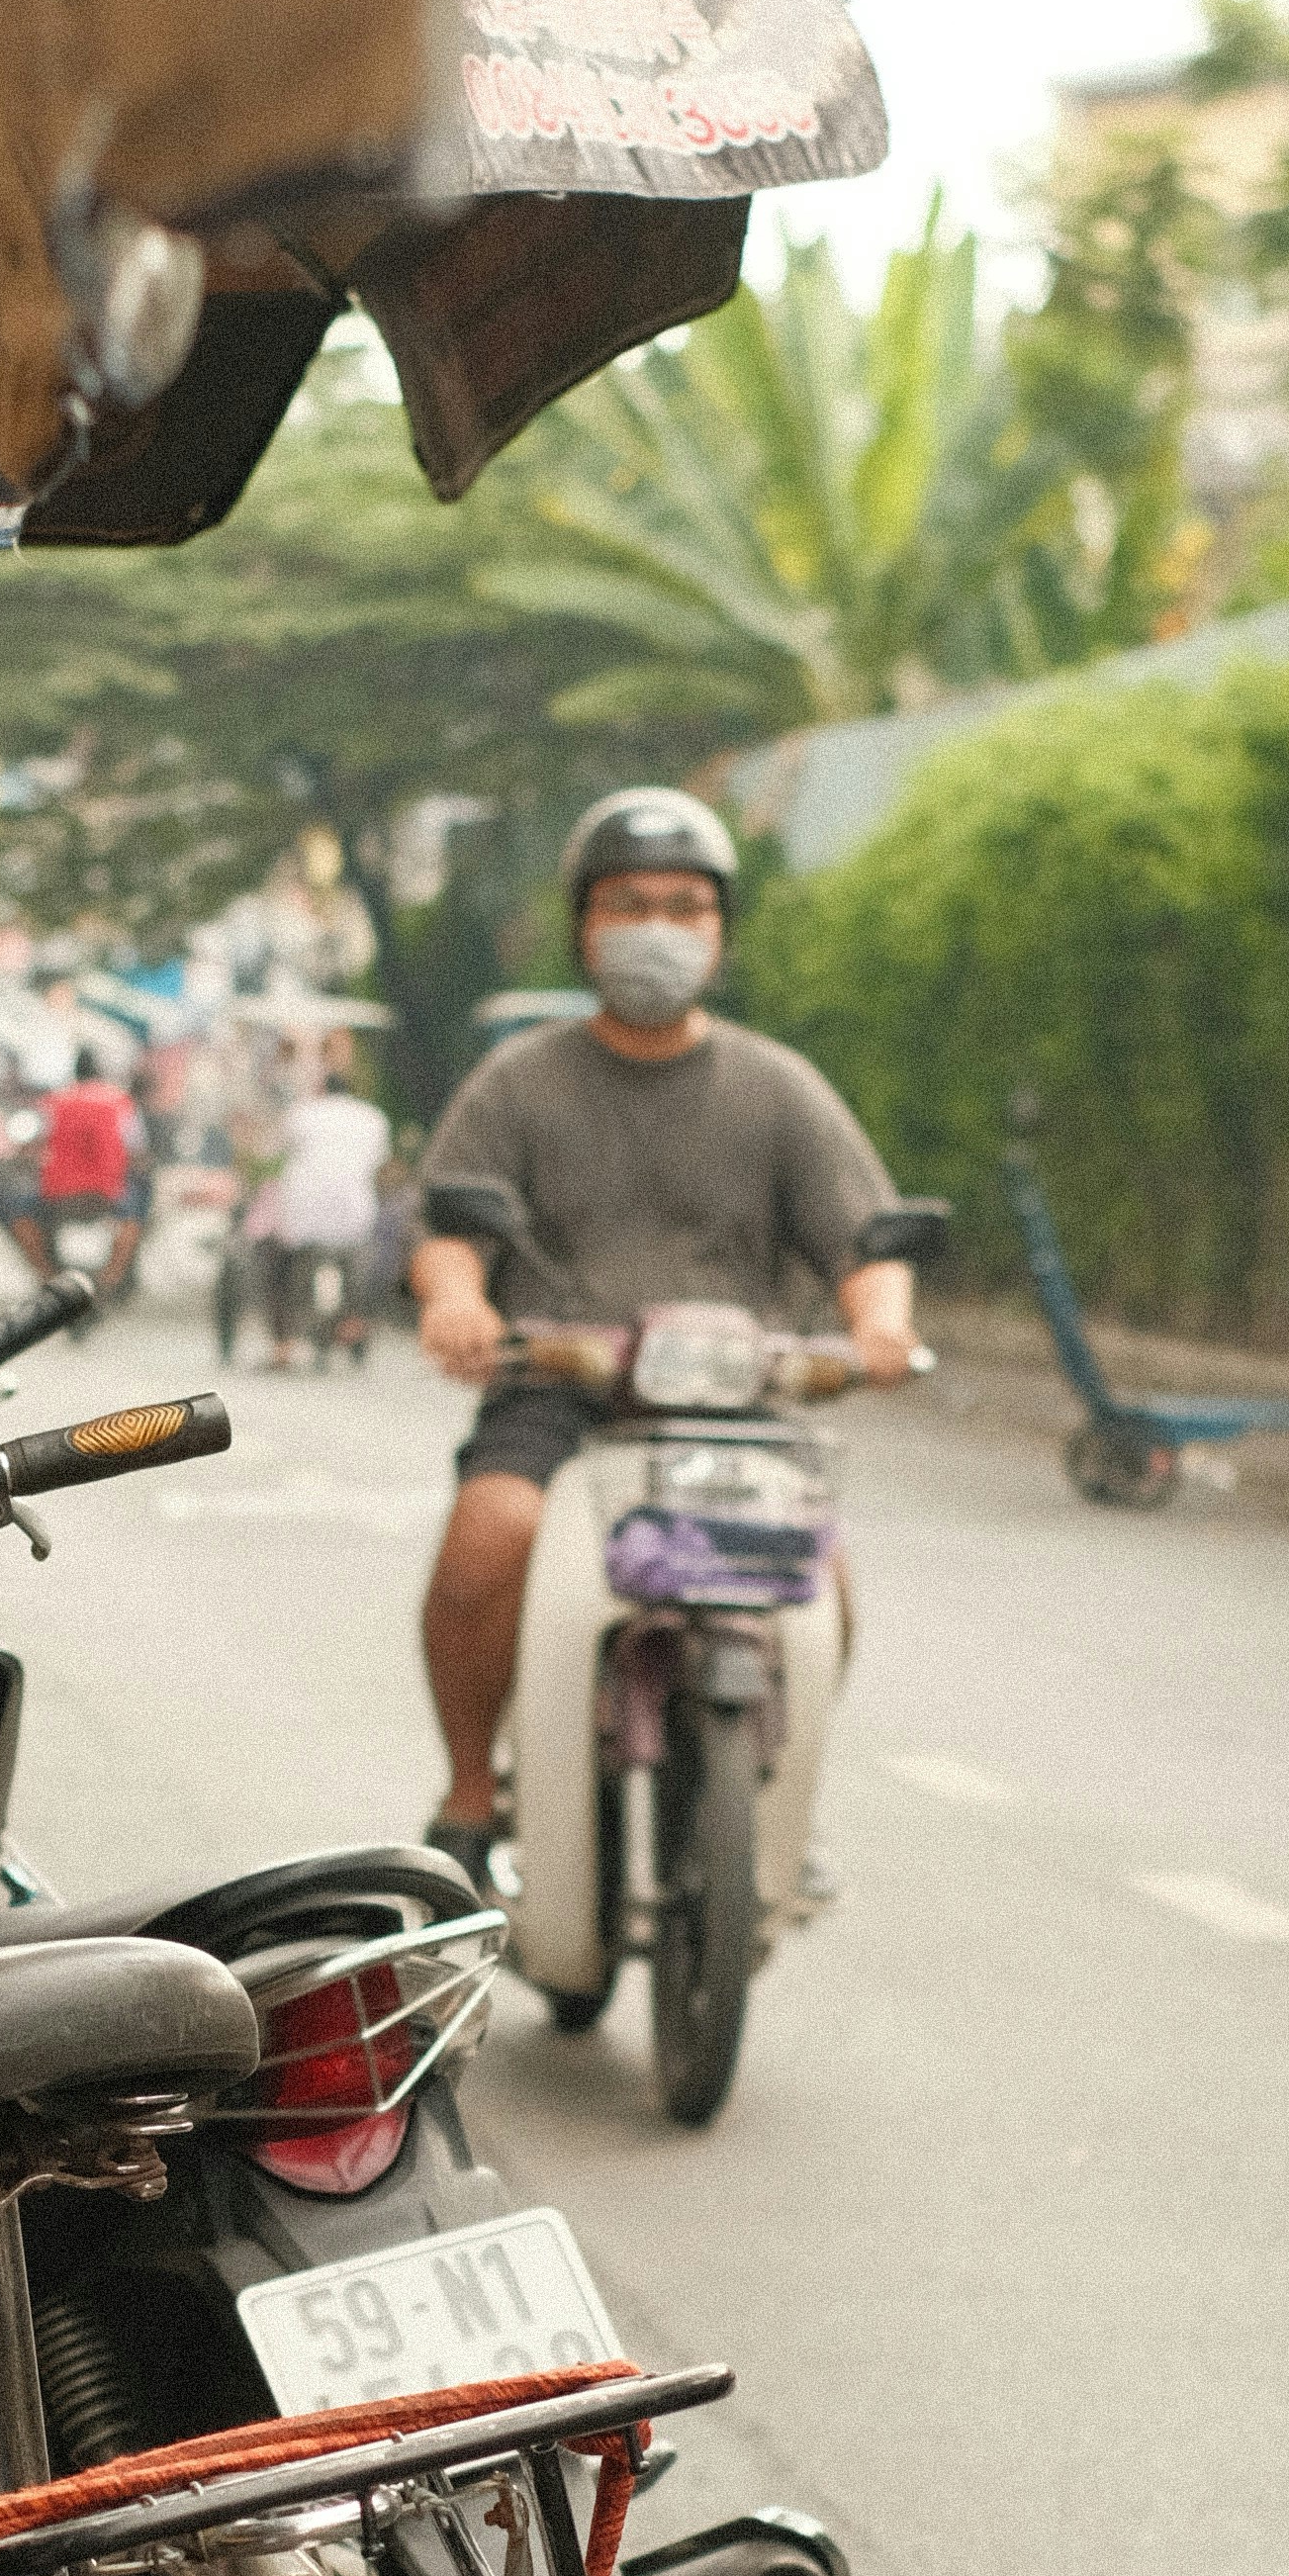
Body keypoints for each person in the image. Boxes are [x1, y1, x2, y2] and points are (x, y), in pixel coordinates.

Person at [406, 788, 915, 1886]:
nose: (659, 926)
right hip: (558, 1388)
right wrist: (458, 1302)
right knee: (485, 1537)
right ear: (584, 925)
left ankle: (777, 1806)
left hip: (735, 1399)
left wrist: (879, 1328)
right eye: (631, 903)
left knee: (822, 1591)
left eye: (686, 906)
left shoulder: (777, 1087)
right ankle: (464, 1792)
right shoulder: (519, 1081)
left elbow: (863, 1240)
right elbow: (451, 1231)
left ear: (720, 930)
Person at [252, 1041, 391, 1369]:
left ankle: (284, 1340)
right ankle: (355, 1320)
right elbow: (379, 1164)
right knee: (369, 1262)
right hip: (354, 1213)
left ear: (322, 1090)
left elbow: (272, 1150)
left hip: (304, 1214)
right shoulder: (372, 1117)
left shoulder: (302, 1113)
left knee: (283, 1267)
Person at [35, 1041, 146, 1305]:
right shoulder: (120, 1100)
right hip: (106, 1195)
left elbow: (36, 1142)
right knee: (136, 1216)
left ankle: (45, 1274)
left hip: (57, 1195)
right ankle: (111, 1277)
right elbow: (136, 1147)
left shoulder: (53, 1101)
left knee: (18, 1213)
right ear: (99, 1071)